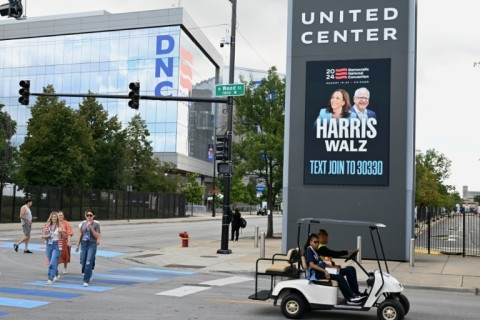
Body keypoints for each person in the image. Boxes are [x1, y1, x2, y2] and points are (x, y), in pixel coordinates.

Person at [316, 229, 366, 304]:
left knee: (351, 268)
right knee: (343, 275)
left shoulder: (322, 247)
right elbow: (334, 253)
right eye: (326, 237)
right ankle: (350, 297)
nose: (327, 239)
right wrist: (349, 251)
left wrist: (334, 265)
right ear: (321, 237)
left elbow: (326, 259)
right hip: (325, 271)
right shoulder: (320, 248)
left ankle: (355, 293)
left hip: (329, 269)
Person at [76, 209, 101, 287]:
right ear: (85, 216)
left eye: (90, 215)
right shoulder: (83, 224)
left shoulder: (96, 224)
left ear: (93, 216)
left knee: (88, 261)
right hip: (84, 243)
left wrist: (91, 228)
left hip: (92, 244)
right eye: (87, 215)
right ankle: (88, 272)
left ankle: (86, 280)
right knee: (83, 260)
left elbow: (97, 235)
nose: (89, 217)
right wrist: (77, 245)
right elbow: (80, 235)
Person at [41, 211, 66, 284]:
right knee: (51, 261)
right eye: (52, 217)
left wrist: (61, 232)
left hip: (57, 245)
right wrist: (48, 236)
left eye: (55, 217)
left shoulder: (60, 226)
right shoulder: (47, 226)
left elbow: (65, 237)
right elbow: (42, 236)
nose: (54, 218)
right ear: (50, 218)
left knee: (52, 262)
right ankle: (56, 273)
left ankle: (50, 278)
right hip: (49, 245)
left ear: (57, 218)